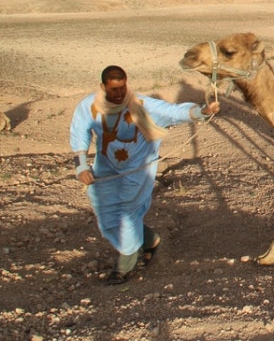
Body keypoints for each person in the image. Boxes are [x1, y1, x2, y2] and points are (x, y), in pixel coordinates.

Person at [70, 65, 219, 284]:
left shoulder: (141, 105)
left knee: (126, 212)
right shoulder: (88, 106)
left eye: (122, 88)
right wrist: (81, 166)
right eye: (114, 89)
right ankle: (150, 240)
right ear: (103, 87)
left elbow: (172, 112)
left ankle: (124, 266)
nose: (120, 93)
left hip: (138, 171)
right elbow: (79, 132)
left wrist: (201, 112)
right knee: (105, 212)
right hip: (106, 169)